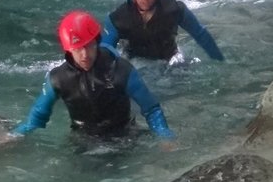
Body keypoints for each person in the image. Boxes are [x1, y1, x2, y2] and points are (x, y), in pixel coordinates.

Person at [12, 10, 174, 139]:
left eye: (89, 46)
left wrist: (165, 137)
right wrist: (15, 135)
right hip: (83, 139)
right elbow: (37, 117)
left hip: (124, 136)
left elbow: (151, 109)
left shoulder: (121, 69)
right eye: (78, 49)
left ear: (97, 42)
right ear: (68, 49)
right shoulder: (58, 79)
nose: (84, 55)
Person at [102, 0, 225, 63]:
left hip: (168, 57)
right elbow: (105, 51)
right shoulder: (118, 18)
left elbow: (200, 34)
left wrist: (220, 61)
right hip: (133, 58)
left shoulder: (175, 10)